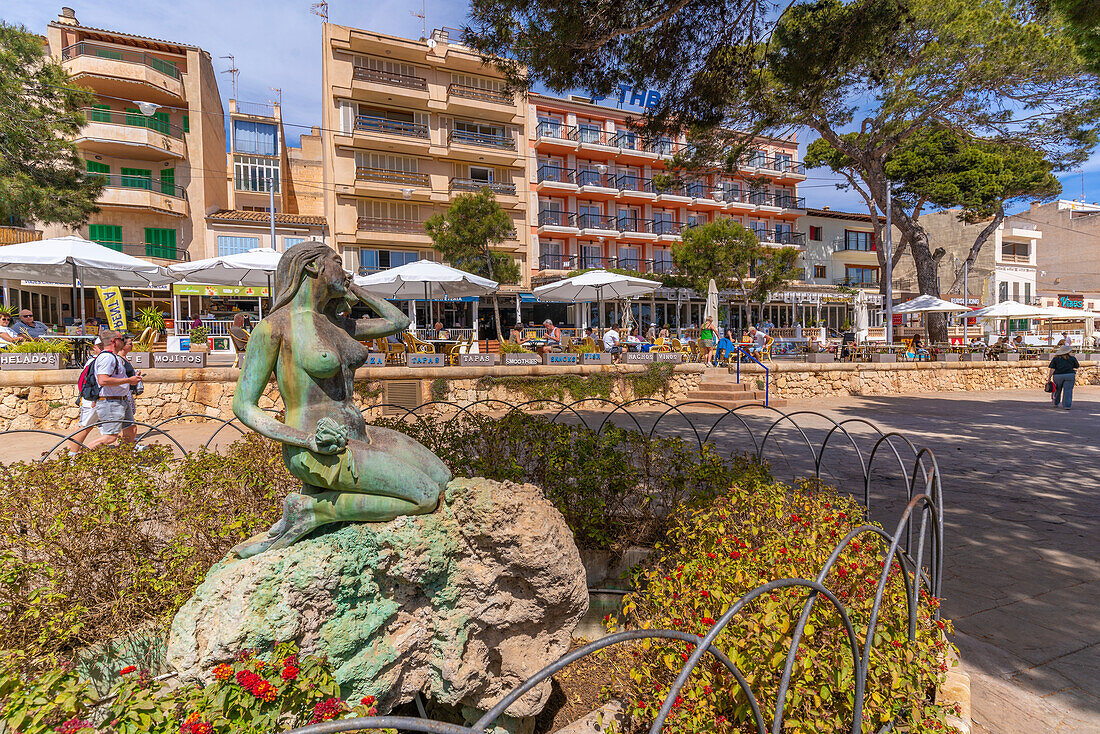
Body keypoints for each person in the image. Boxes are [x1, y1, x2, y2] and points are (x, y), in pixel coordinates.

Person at [231, 241, 450, 559]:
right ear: (312, 266)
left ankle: (321, 503)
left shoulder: (336, 324)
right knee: (425, 496)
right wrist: (306, 440)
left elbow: (399, 322)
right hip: (318, 446)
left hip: (359, 434)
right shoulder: (273, 328)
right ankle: (312, 510)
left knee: (443, 479)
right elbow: (243, 405)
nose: (346, 270)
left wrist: (354, 288)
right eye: (337, 262)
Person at [84, 331, 143, 450]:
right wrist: (128, 380)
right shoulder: (107, 357)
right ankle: (78, 456)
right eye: (121, 339)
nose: (123, 342)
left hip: (120, 400)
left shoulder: (114, 357)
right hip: (110, 402)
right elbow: (103, 380)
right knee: (110, 437)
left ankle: (127, 462)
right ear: (113, 341)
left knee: (131, 430)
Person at [67, 336, 103, 455]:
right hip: (94, 400)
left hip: (100, 400)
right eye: (100, 346)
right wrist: (94, 398)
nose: (102, 348)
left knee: (115, 430)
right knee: (85, 427)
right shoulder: (95, 361)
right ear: (94, 348)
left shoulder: (101, 359)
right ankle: (72, 454)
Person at [1046, 344, 1079, 410]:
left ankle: (1056, 402)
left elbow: (1052, 369)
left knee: (1057, 389)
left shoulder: (1055, 359)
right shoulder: (1072, 358)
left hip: (1058, 376)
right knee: (1068, 391)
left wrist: (1049, 378)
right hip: (1069, 375)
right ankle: (1067, 405)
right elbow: (1077, 366)